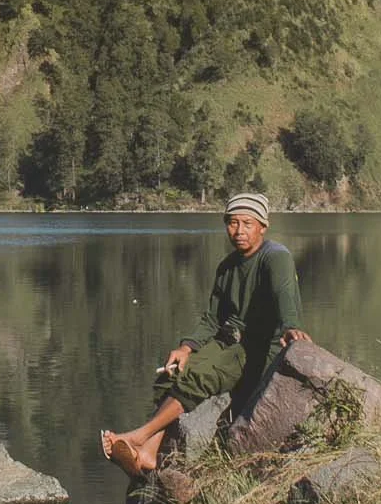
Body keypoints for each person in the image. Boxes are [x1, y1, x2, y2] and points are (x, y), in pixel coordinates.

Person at [102, 193, 305, 477]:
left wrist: (290, 326)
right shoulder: (227, 266)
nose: (239, 231)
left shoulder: (275, 257)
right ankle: (148, 453)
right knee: (172, 372)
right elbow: (212, 318)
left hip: (258, 348)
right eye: (232, 223)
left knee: (201, 375)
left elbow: (285, 294)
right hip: (227, 342)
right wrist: (186, 347)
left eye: (247, 223)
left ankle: (137, 437)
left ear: (263, 226)